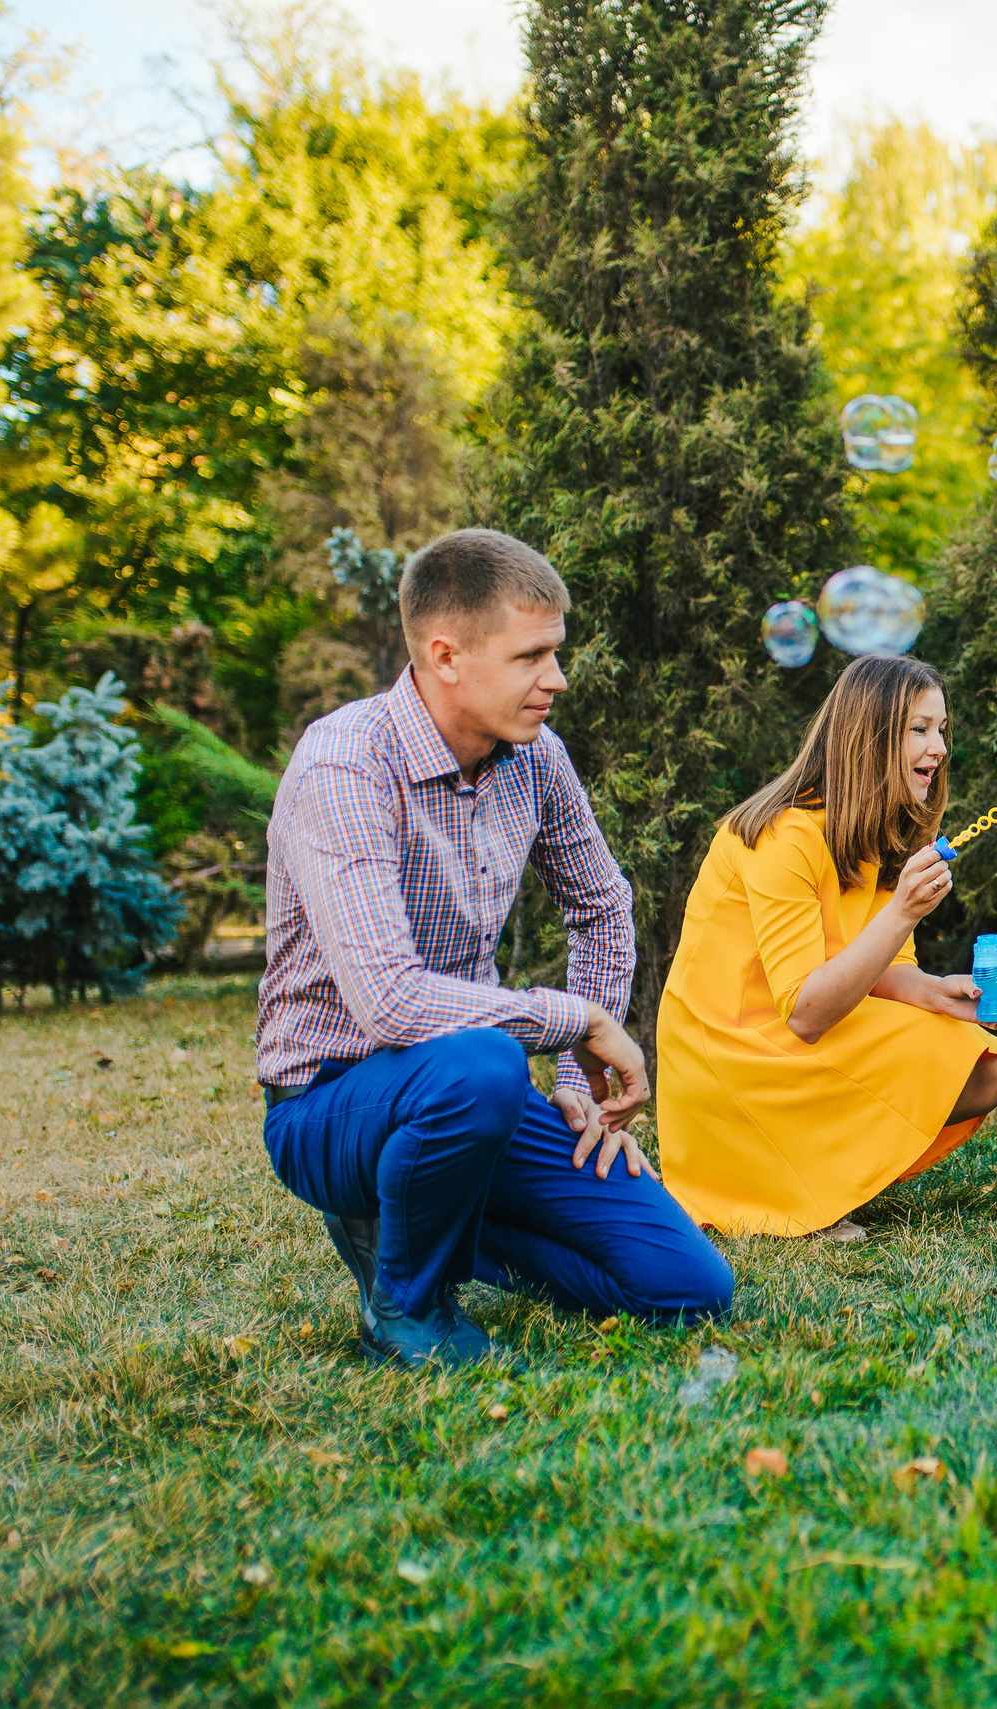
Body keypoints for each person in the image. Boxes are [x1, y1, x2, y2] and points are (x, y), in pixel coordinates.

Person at [257, 528, 734, 1367]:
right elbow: (391, 1000)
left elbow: (602, 905)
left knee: (688, 1285)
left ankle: (442, 1224)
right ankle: (404, 1308)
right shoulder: (345, 764)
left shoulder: (536, 757)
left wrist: (575, 1083)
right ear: (446, 655)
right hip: (332, 1103)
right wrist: (574, 1019)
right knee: (479, 1066)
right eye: (531, 656)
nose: (556, 678)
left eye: (556, 651)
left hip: (475, 1098)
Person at [655, 654, 997, 1241]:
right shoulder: (783, 835)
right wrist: (902, 909)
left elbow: (884, 970)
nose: (940, 749)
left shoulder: (874, 833)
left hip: (800, 1027)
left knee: (986, 1070)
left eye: (942, 730)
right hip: (732, 1046)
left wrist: (940, 993)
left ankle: (823, 1176)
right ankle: (784, 1188)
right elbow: (805, 1013)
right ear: (868, 738)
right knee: (966, 1067)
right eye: (919, 730)